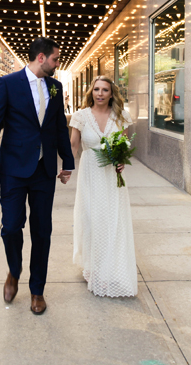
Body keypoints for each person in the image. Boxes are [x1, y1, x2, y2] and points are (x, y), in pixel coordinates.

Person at [0, 36, 75, 315]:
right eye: (56, 58)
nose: (58, 63)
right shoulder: (7, 84)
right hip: (14, 170)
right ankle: (14, 270)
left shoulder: (55, 87)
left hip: (44, 171)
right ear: (42, 58)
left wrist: (67, 162)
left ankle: (37, 290)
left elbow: (59, 128)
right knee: (11, 227)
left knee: (42, 230)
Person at [69, 76, 137, 297]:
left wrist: (121, 162)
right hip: (90, 174)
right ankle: (96, 269)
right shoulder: (80, 116)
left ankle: (110, 271)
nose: (100, 93)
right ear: (91, 91)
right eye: (96, 89)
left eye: (105, 90)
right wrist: (66, 169)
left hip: (111, 177)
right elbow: (74, 145)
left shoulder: (120, 117)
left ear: (111, 93)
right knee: (91, 220)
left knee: (112, 222)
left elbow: (124, 145)